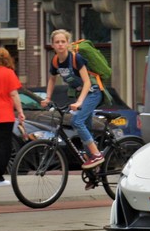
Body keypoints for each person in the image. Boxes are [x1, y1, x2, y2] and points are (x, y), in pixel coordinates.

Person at [41, 29, 104, 169]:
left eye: (63, 41)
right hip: (81, 94)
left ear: (67, 43)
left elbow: (87, 82)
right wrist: (47, 98)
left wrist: (80, 102)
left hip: (93, 92)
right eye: (57, 42)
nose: (60, 44)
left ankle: (97, 155)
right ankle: (95, 171)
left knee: (77, 121)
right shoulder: (56, 61)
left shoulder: (76, 58)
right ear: (52, 45)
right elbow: (51, 80)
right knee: (85, 128)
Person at [0, 47, 25, 186]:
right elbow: (14, 94)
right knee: (2, 146)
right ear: (8, 58)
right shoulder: (8, 73)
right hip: (2, 116)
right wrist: (20, 111)